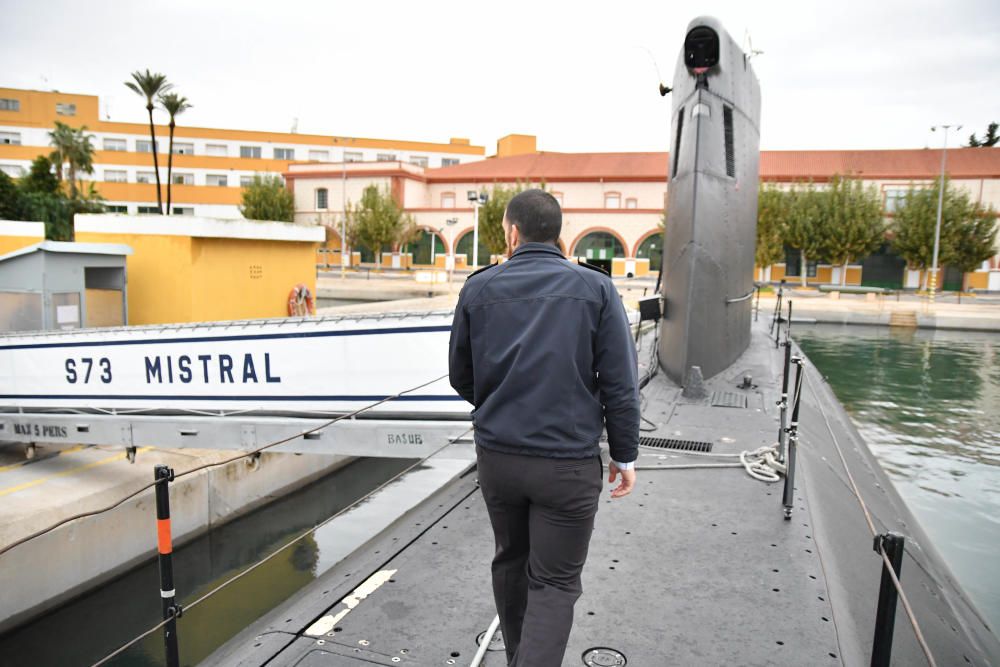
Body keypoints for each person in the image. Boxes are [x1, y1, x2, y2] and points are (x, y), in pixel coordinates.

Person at [449, 188, 640, 666]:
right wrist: (624, 454)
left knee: (511, 565)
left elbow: (460, 375)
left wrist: (500, 406)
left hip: (500, 460)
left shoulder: (478, 288)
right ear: (561, 234)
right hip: (567, 465)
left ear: (512, 233)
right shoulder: (595, 289)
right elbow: (619, 381)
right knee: (554, 584)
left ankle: (520, 657)